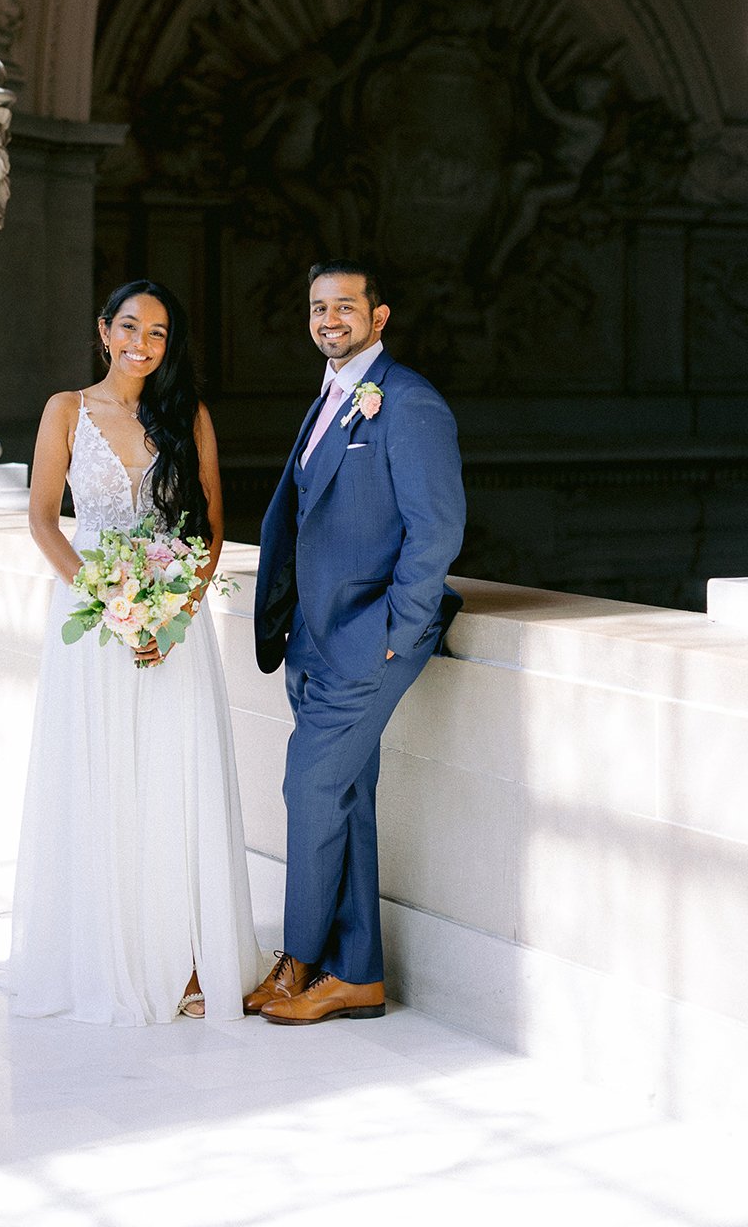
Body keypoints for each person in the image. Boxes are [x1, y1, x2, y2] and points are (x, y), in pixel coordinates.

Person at [6, 278, 263, 1024]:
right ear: (103, 330)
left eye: (157, 334)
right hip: (91, 617)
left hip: (173, 625)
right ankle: (103, 949)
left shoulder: (189, 416)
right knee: (104, 772)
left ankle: (186, 958)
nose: (141, 345)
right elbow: (44, 521)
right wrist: (110, 605)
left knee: (173, 776)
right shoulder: (65, 411)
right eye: (129, 327)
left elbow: (212, 527)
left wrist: (173, 610)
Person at [245, 258, 465, 1025]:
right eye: (317, 307)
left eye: (345, 306)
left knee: (307, 785)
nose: (328, 318)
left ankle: (298, 962)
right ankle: (358, 976)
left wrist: (397, 635)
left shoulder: (408, 404)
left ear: (380, 317)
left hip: (367, 640)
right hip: (313, 637)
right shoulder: (332, 398)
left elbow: (436, 530)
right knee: (344, 798)